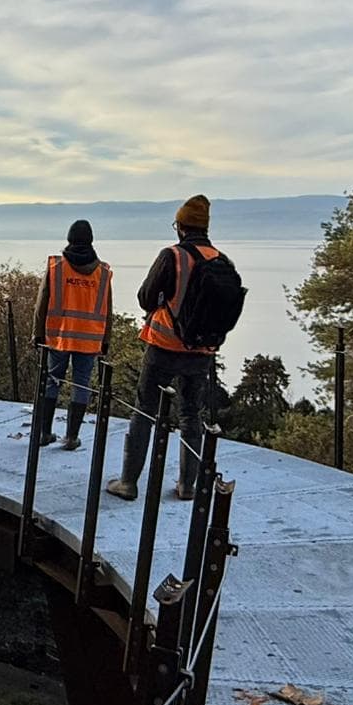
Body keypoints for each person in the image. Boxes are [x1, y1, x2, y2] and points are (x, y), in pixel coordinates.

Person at [106, 195, 241, 501]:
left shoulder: (173, 256)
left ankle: (128, 483)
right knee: (191, 415)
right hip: (202, 352)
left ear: (180, 226)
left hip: (164, 346)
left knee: (145, 410)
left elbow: (145, 297)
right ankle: (187, 485)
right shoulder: (222, 260)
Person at [32, 220, 112, 450]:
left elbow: (42, 303)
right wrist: (105, 341)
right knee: (82, 385)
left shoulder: (57, 267)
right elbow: (108, 310)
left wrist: (38, 334)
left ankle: (44, 433)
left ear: (69, 239)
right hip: (89, 340)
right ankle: (71, 437)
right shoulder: (103, 272)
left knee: (52, 381)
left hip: (59, 336)